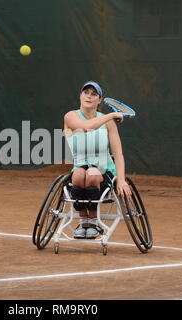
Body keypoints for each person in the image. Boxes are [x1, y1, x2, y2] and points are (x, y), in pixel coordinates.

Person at [64, 80, 132, 239]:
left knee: (93, 173)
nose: (89, 96)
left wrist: (121, 180)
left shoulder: (108, 122)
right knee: (79, 174)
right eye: (86, 92)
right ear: (80, 95)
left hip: (104, 172)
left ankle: (93, 221)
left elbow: (118, 153)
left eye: (94, 94)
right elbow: (86, 127)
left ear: (99, 100)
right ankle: (83, 220)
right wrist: (111, 115)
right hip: (79, 170)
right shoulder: (70, 116)